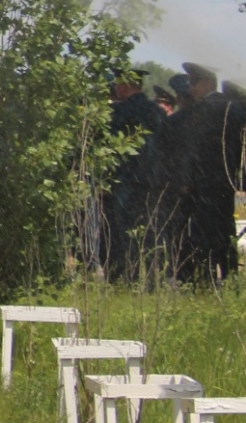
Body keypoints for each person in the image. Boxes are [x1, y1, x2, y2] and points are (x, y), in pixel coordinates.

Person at [169, 62, 241, 284]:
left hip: (203, 184)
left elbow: (192, 150)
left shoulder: (204, 110)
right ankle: (229, 278)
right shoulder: (231, 106)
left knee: (204, 235)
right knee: (223, 232)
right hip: (223, 182)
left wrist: (186, 179)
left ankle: (204, 281)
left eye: (194, 83)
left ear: (207, 82)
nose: (191, 89)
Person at [103, 67, 165, 280]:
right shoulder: (157, 111)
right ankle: (147, 275)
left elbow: (107, 148)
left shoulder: (118, 113)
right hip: (151, 180)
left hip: (124, 180)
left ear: (126, 85)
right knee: (147, 230)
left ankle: (123, 276)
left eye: (119, 83)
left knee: (121, 231)